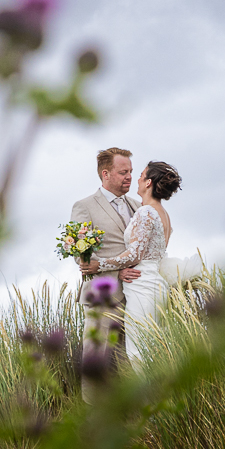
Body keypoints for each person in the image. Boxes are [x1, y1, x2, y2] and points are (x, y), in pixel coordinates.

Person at [70, 149, 142, 389]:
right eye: (123, 172)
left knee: (130, 360)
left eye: (131, 171)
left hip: (137, 295)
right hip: (103, 296)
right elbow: (81, 255)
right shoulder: (85, 207)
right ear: (106, 174)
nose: (129, 176)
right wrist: (115, 272)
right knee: (96, 357)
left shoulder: (138, 206)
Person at [100, 161, 182, 362]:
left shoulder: (146, 212)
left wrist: (100, 264)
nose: (136, 178)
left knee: (138, 352)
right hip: (154, 284)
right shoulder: (163, 214)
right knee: (152, 349)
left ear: (148, 183)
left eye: (141, 175)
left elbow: (135, 255)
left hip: (142, 286)